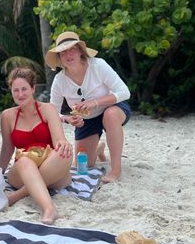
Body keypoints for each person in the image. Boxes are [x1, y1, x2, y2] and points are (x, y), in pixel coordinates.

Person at [46, 31, 131, 183]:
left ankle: (116, 170)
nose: (68, 55)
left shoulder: (98, 65)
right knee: (82, 164)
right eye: (63, 52)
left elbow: (124, 92)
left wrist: (95, 102)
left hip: (112, 108)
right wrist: (67, 119)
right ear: (59, 57)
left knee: (110, 115)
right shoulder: (59, 81)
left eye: (72, 49)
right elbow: (52, 113)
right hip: (87, 119)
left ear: (80, 51)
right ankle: (99, 147)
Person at [0, 68, 73, 224]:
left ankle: (16, 196)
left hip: (52, 167)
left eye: (24, 89)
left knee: (64, 151)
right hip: (23, 171)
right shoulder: (7, 116)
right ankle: (49, 209)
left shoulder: (48, 109)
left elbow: (59, 139)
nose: (20, 94)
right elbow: (7, 148)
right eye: (15, 90)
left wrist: (63, 143)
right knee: (25, 161)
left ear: (33, 88)